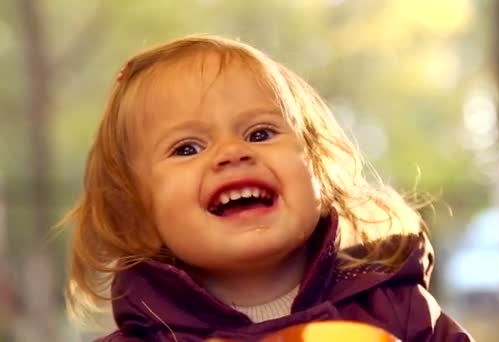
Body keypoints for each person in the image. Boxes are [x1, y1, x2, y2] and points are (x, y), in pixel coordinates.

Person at [60, 35, 473, 341]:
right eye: (187, 148)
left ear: (318, 168)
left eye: (259, 134)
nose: (232, 153)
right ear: (138, 217)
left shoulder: (397, 310)